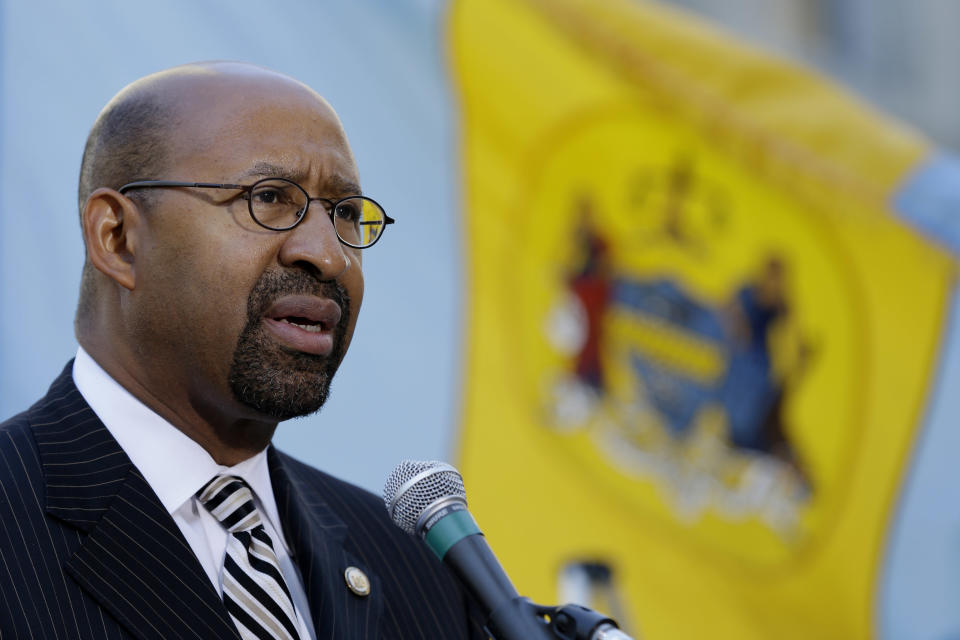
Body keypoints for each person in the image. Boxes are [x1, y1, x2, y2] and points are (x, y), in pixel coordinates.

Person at [0, 62, 486, 639]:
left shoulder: (413, 568)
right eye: (270, 198)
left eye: (347, 214)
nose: (328, 255)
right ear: (118, 238)